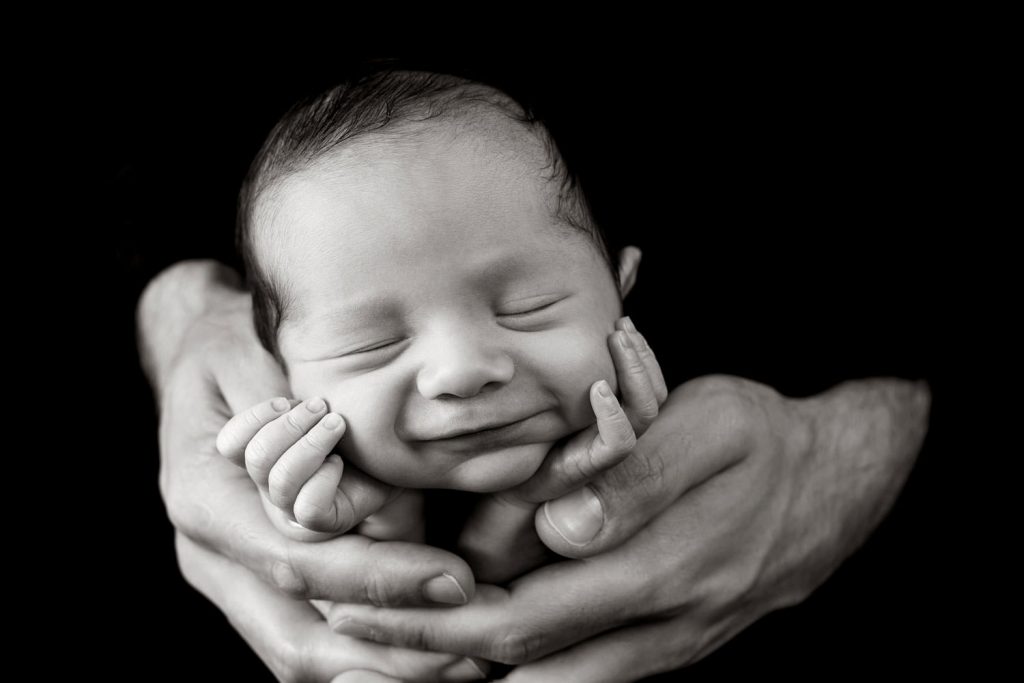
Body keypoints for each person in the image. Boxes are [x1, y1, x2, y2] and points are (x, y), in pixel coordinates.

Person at [134, 60, 935, 681]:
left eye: (528, 308)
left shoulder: (687, 439)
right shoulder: (302, 455)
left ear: (622, 289)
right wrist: (327, 511)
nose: (462, 369)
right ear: (277, 372)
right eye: (371, 345)